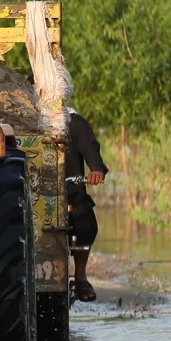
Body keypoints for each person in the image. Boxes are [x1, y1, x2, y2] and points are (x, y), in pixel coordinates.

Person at [66, 109, 108, 302]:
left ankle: (80, 276)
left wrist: (96, 169)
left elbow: (90, 147)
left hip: (71, 193)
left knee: (84, 221)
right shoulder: (25, 122)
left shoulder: (74, 123)